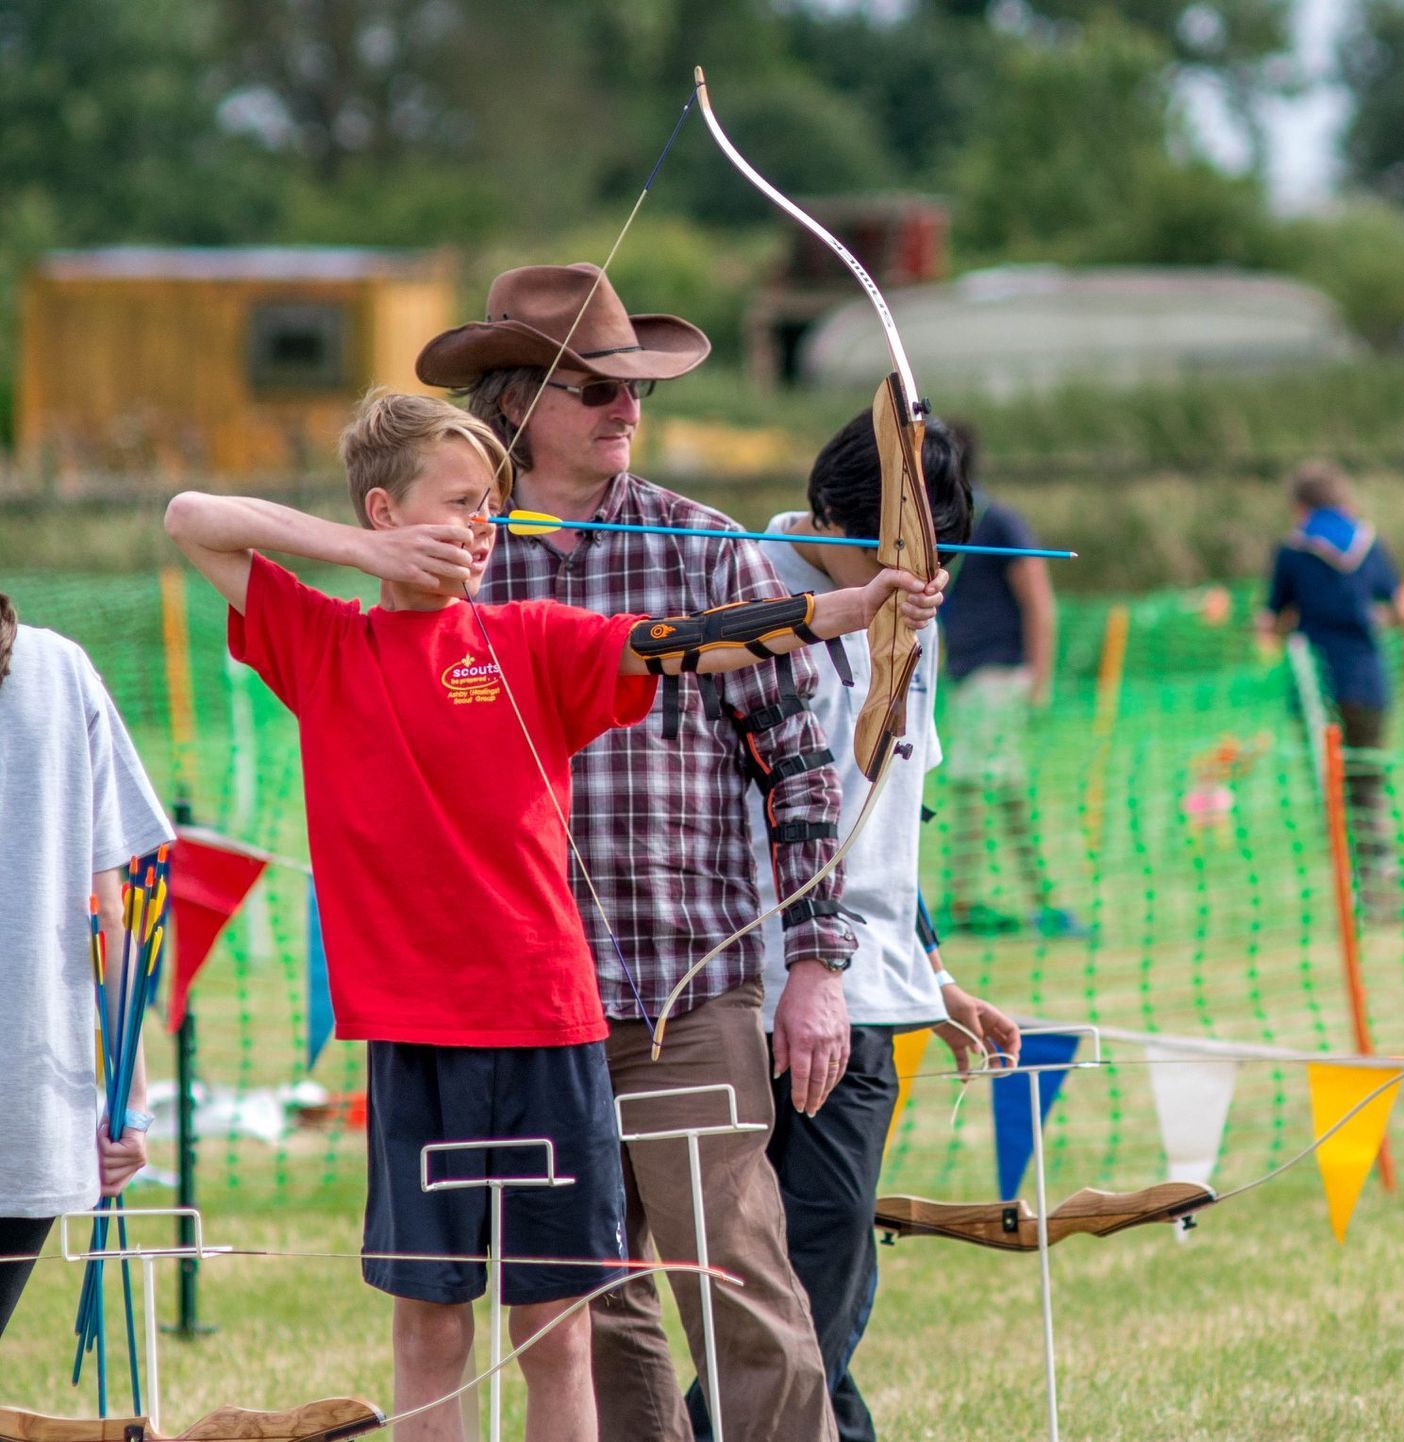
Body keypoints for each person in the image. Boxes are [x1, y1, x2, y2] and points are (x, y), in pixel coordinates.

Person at [163, 390, 943, 1442]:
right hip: (418, 1038)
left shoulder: (527, 635)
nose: (483, 528)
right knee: (432, 1327)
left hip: (548, 1025)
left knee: (561, 1327)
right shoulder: (325, 645)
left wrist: (836, 612)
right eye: (457, 506)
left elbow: (679, 641)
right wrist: (364, 552)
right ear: (386, 511)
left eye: (490, 507)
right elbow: (189, 516)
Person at [426, 262, 859, 1442]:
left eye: (636, 389)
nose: (627, 408)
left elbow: (804, 770)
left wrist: (817, 965)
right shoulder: (455, 563)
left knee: (739, 1287)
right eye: (594, 387)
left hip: (686, 992)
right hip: (523, 1006)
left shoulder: (708, 552)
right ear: (514, 403)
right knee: (588, 1302)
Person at [685, 413, 1023, 1442]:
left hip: (867, 996)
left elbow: (885, 822)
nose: (921, 579)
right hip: (743, 985)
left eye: (938, 554)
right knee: (765, 1297)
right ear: (829, 515)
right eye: (896, 552)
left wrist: (933, 970)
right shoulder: (740, 594)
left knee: (823, 1278)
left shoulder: (916, 620)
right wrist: (807, 966)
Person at [0, 594, 171, 1340]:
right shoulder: (60, 667)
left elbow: (111, 911)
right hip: (28, 1105)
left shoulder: (57, 670)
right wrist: (126, 1107)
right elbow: (113, 911)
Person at [1255, 460, 1404, 910]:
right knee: (1368, 782)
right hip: (1368, 680)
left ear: (1299, 506)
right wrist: (1373, 618)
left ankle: (1352, 883)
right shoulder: (1370, 545)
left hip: (1317, 686)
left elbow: (1268, 623)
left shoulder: (1292, 552)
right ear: (1343, 499)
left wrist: (1292, 622)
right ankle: (1382, 875)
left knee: (1330, 785)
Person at [937, 446, 1085, 940]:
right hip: (968, 679)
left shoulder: (998, 522)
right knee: (991, 789)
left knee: (981, 788)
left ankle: (1002, 899)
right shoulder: (940, 527)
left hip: (998, 677)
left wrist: (1039, 681)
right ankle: (994, 896)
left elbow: (1039, 602)